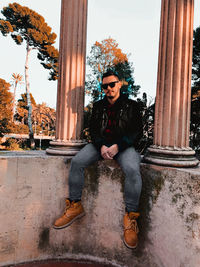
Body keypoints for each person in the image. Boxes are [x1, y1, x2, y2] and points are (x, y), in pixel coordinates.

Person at [53, 70, 143, 249]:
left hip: (123, 146)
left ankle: (131, 218)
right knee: (77, 162)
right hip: (100, 145)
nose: (108, 88)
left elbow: (136, 132)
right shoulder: (98, 106)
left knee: (133, 170)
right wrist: (101, 145)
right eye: (104, 86)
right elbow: (93, 130)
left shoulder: (132, 105)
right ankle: (75, 205)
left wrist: (118, 146)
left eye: (112, 84)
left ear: (119, 84)